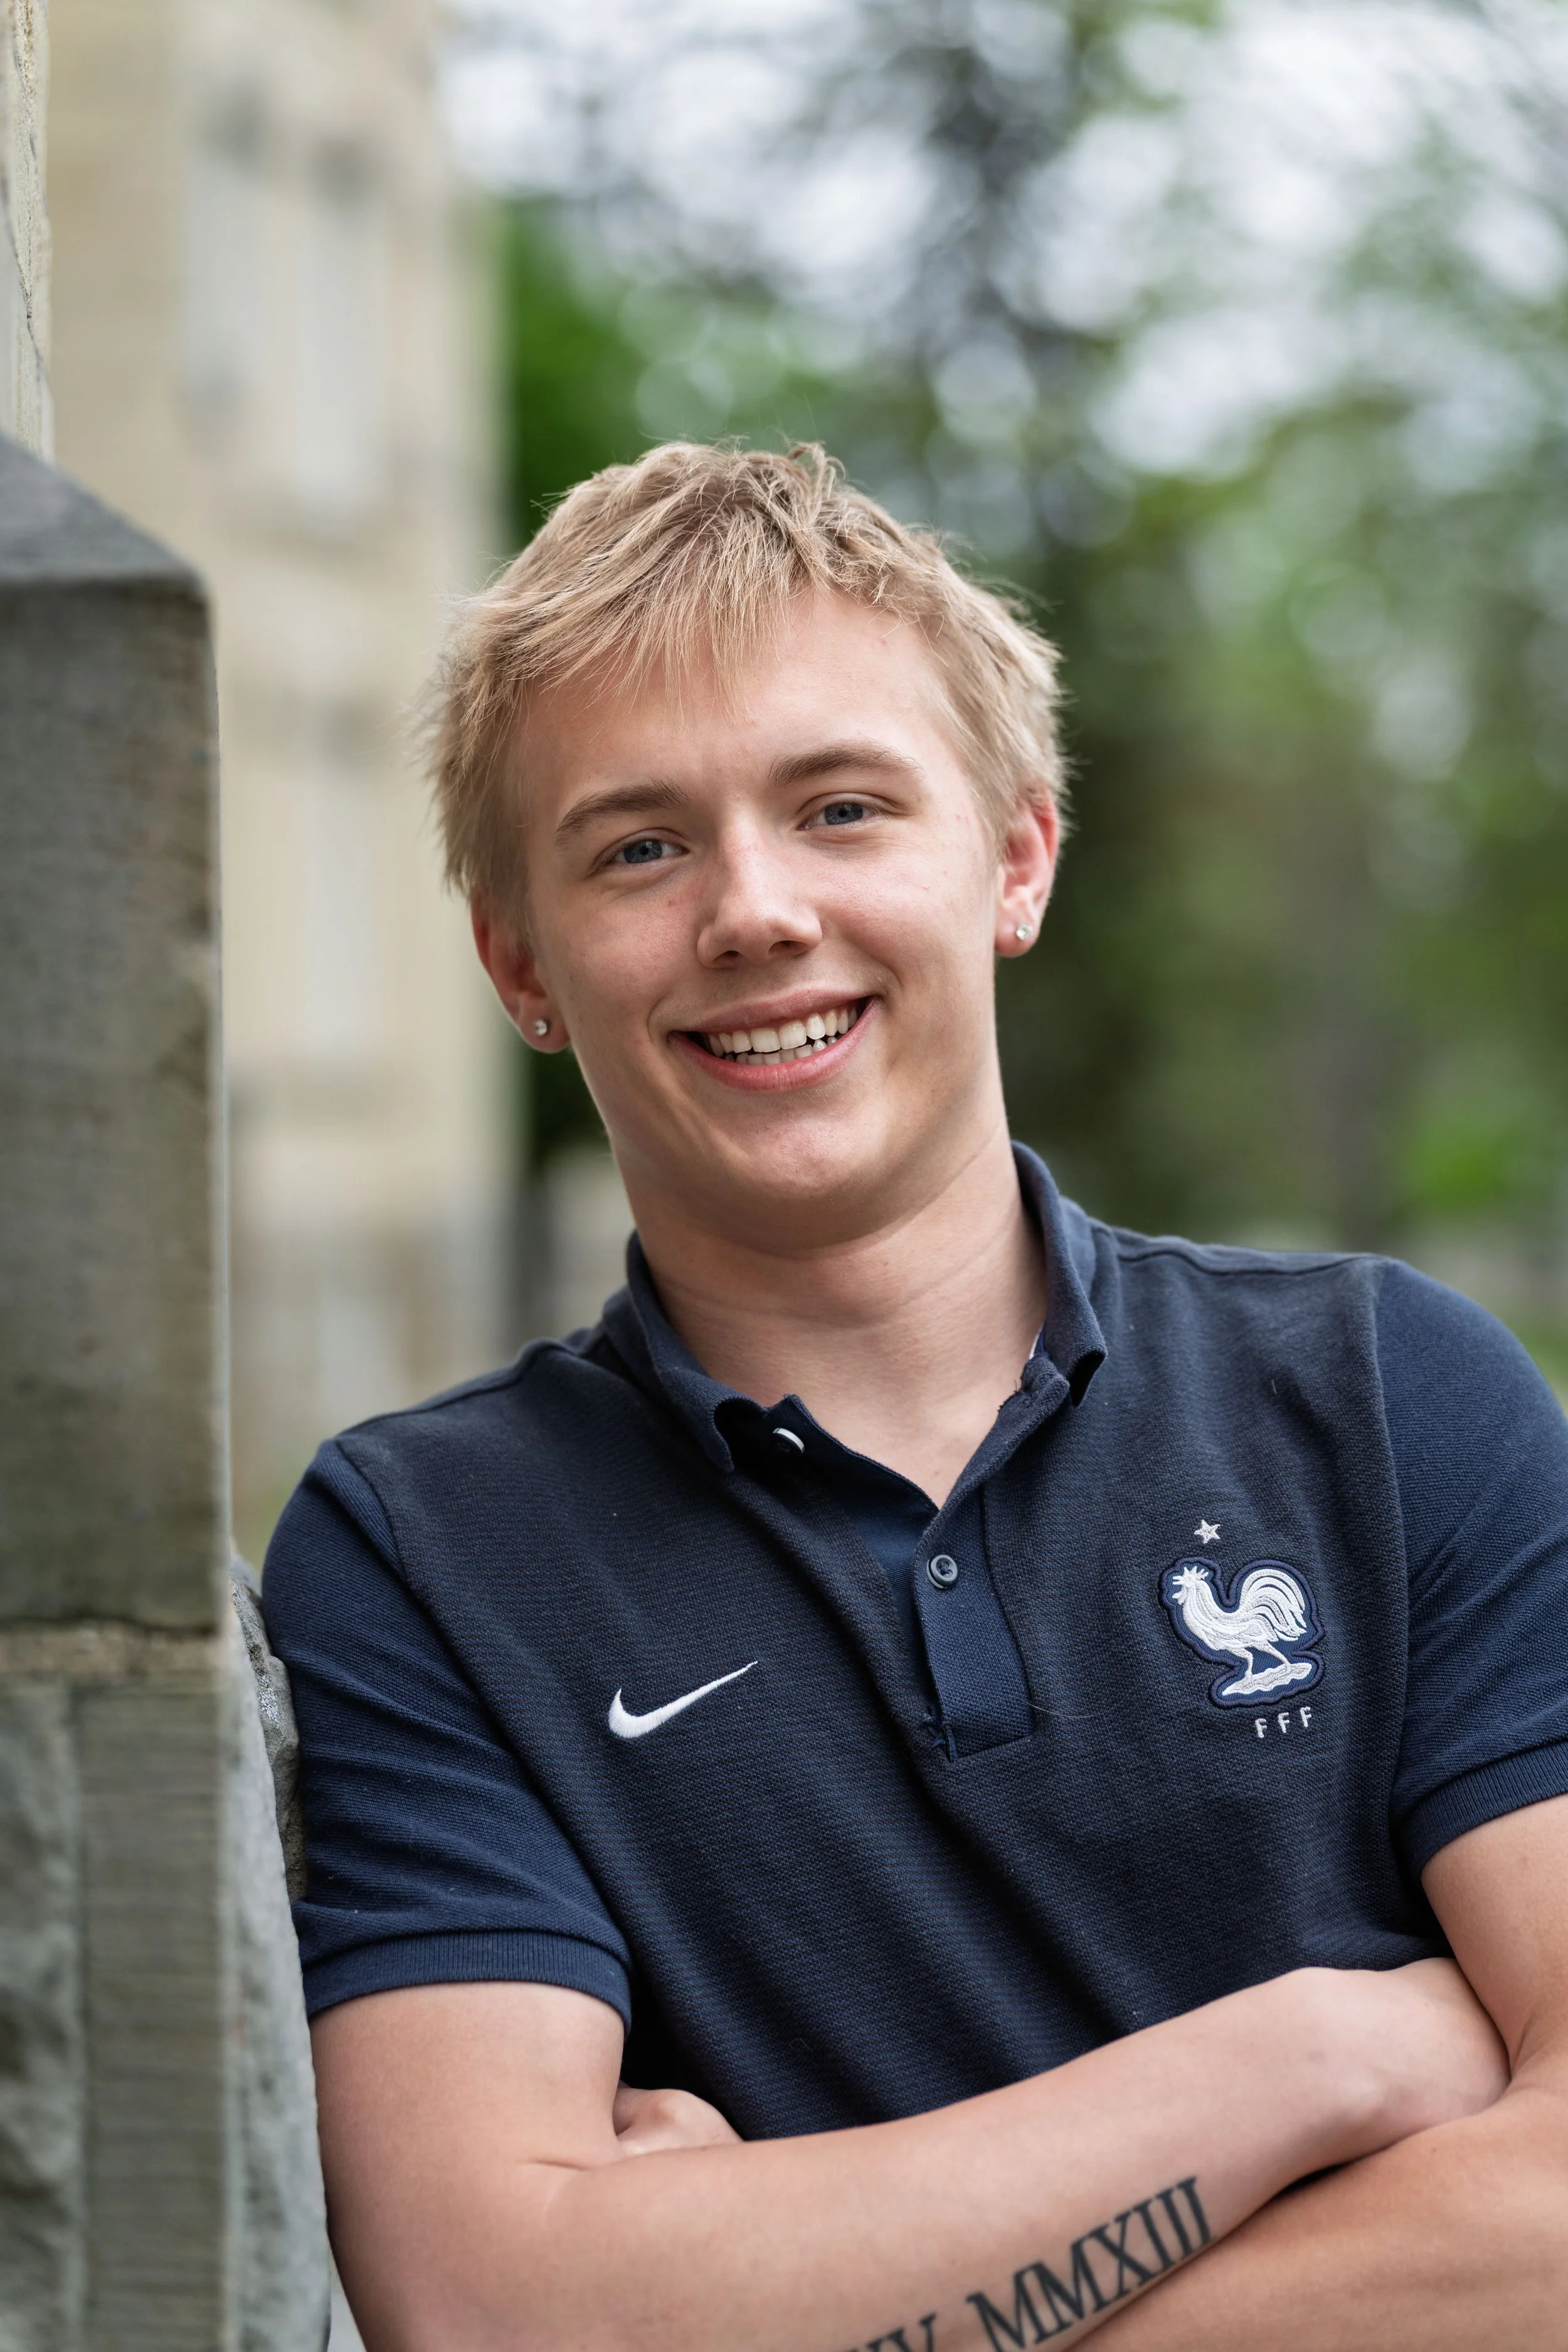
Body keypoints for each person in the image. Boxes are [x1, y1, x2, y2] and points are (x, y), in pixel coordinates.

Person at [262, 443, 1568, 2351]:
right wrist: (1318, 2051)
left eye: (841, 806)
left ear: (1014, 857)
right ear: (518, 960)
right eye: (639, 845)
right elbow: (500, 2307)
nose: (755, 910)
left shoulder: (1386, 1396)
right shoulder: (417, 1556)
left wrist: (789, 2297)